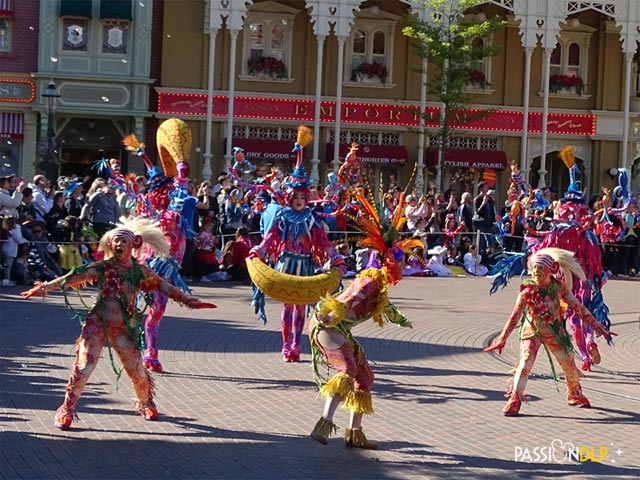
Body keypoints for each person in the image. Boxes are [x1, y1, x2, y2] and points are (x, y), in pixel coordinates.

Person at [21, 218, 216, 430]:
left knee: (138, 371)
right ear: (110, 245)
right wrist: (43, 288)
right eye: (116, 242)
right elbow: (71, 277)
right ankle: (66, 409)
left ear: (134, 244)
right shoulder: (102, 268)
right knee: (84, 367)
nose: (120, 246)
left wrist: (189, 301)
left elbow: (164, 286)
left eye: (124, 242)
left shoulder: (141, 271)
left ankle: (145, 403)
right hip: (97, 324)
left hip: (123, 329)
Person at [308, 187, 418, 449]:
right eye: (399, 262)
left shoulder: (379, 285)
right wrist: (331, 315)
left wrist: (401, 319)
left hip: (339, 329)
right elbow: (347, 302)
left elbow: (386, 308)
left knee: (364, 376)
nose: (402, 268)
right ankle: (323, 424)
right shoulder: (370, 280)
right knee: (346, 371)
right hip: (327, 324)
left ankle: (355, 433)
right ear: (388, 262)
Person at [248, 126, 344, 362]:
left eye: (303, 197)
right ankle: (285, 344)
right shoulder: (282, 216)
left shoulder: (311, 218)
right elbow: (271, 239)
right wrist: (259, 250)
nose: (300, 201)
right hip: (286, 265)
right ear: (290, 197)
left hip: (306, 266)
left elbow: (321, 240)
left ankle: (295, 343)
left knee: (300, 308)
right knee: (287, 307)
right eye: (296, 197)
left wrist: (334, 256)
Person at [484, 248, 612, 416]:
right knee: (525, 363)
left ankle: (574, 394)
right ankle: (514, 399)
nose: (536, 272)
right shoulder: (526, 291)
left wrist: (597, 325)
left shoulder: (559, 288)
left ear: (551, 270)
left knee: (569, 365)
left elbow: (578, 307)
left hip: (555, 332)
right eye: (534, 268)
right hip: (532, 331)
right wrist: (502, 338)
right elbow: (515, 316)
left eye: (540, 268)